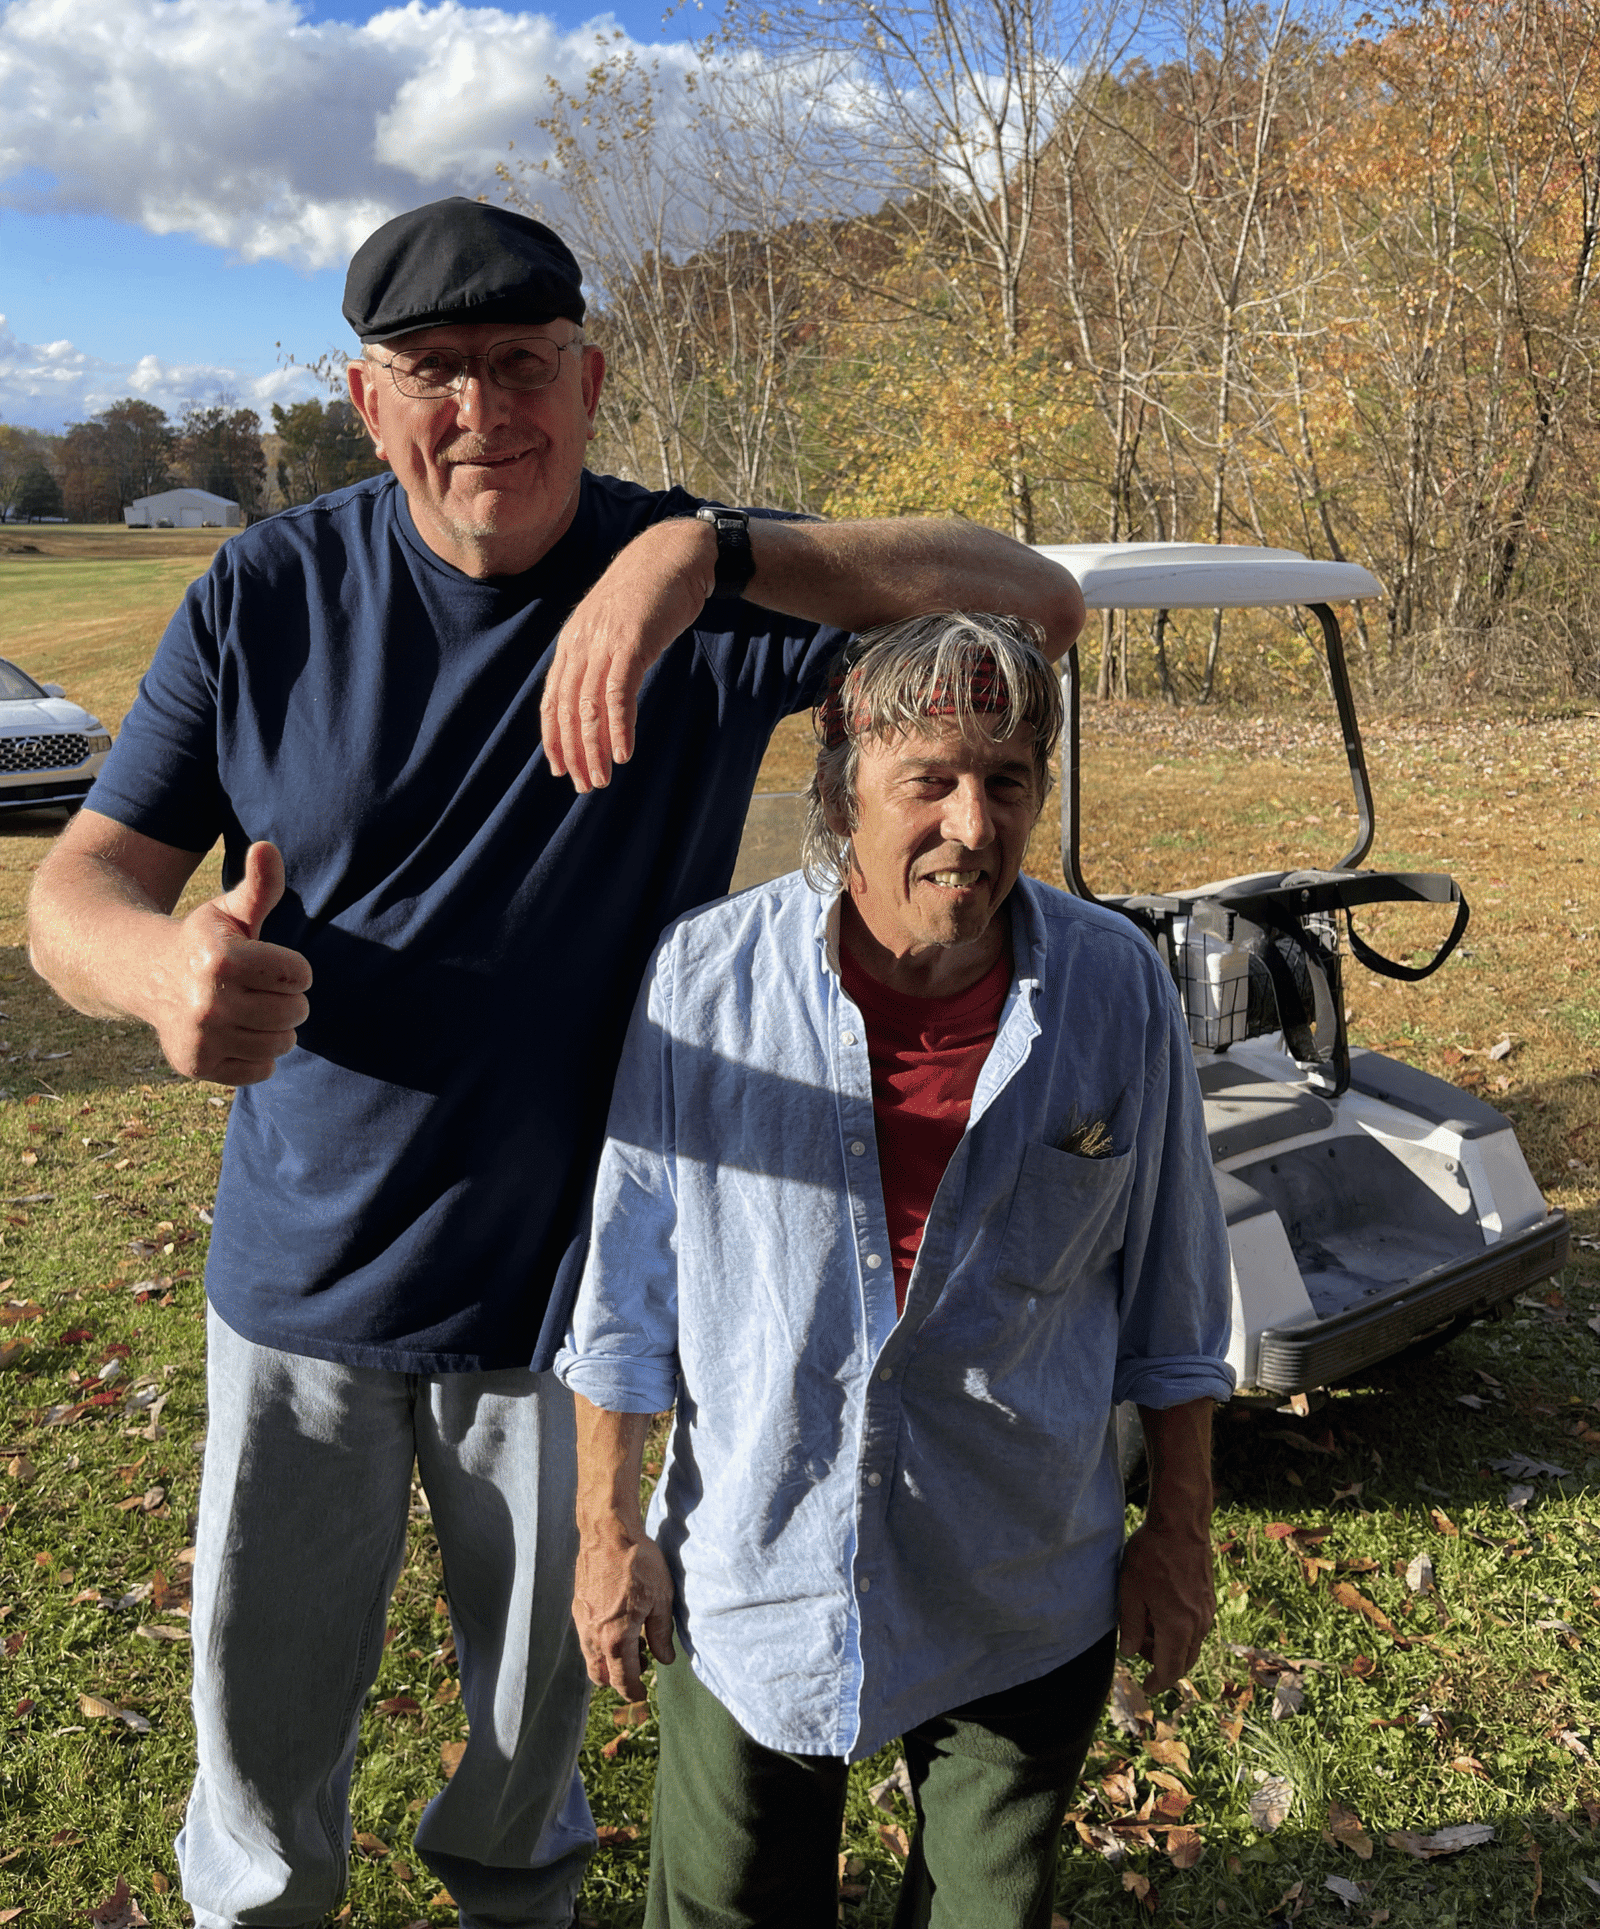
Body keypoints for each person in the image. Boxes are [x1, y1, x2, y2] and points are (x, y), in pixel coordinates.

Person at [24, 200, 1085, 1929]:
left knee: (529, 1787)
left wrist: (699, 561)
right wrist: (159, 972)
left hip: (575, 1314)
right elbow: (79, 889)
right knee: (262, 1775)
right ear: (368, 405)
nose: (480, 411)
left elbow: (1029, 608)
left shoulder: (696, 590)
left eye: (522, 366)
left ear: (587, 383)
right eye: (430, 372)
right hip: (299, 1297)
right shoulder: (270, 591)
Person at [559, 611, 1235, 1929]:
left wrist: (1182, 1533)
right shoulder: (709, 982)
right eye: (930, 779)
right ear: (844, 787)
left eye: (1009, 781)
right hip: (754, 1570)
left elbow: (1174, 1298)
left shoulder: (1114, 992)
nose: (973, 826)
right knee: (727, 1907)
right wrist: (608, 1531)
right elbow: (628, 1290)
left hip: (1017, 1579)